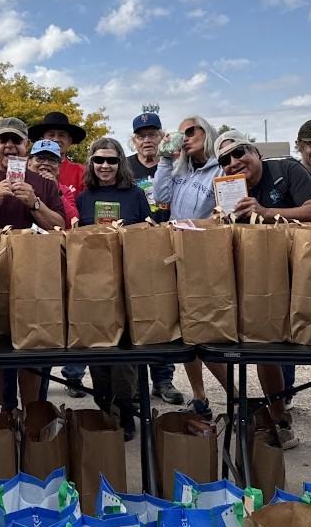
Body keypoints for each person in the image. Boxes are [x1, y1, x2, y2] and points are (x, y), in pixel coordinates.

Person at [213, 129, 311, 452]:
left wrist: (265, 213)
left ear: (256, 152)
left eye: (240, 153)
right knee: (261, 343)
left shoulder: (286, 170)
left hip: (309, 275)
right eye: (225, 160)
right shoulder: (229, 192)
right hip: (263, 279)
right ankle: (279, 420)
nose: (234, 162)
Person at [0, 117, 66, 412]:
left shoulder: (42, 184)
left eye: (16, 140)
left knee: (29, 356)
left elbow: (61, 228)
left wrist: (35, 203)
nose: (10, 146)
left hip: (32, 282)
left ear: (25, 146)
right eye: (4, 139)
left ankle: (30, 420)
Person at [154, 115, 235, 420]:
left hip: (206, 258)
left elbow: (229, 212)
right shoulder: (180, 171)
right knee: (186, 335)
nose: (185, 137)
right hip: (177, 255)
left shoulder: (221, 168)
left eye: (191, 131)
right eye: (180, 134)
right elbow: (161, 197)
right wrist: (165, 157)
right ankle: (199, 396)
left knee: (204, 333)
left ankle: (235, 396)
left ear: (207, 132)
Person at [74, 137, 149, 441]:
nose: (105, 166)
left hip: (129, 282)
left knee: (125, 356)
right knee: (98, 353)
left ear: (122, 163)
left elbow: (148, 233)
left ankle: (126, 412)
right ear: (91, 163)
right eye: (99, 160)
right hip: (93, 285)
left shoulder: (135, 195)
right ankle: (105, 408)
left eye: (112, 160)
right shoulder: (83, 198)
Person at [126, 112, 186, 406]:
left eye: (153, 134)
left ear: (163, 137)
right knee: (137, 311)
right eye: (141, 135)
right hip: (137, 245)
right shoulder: (124, 166)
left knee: (165, 312)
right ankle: (137, 380)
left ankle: (163, 379)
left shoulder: (177, 164)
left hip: (170, 241)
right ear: (134, 139)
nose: (147, 140)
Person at [28, 113, 89, 395]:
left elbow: (76, 214)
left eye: (61, 136)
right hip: (33, 258)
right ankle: (38, 377)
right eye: (49, 136)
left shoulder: (79, 172)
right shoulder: (23, 180)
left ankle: (74, 374)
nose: (55, 141)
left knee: (75, 311)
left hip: (69, 251)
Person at [28, 111, 86, 197]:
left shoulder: (82, 172)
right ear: (42, 139)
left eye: (61, 135)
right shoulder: (23, 167)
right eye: (51, 135)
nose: (56, 139)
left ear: (70, 141)